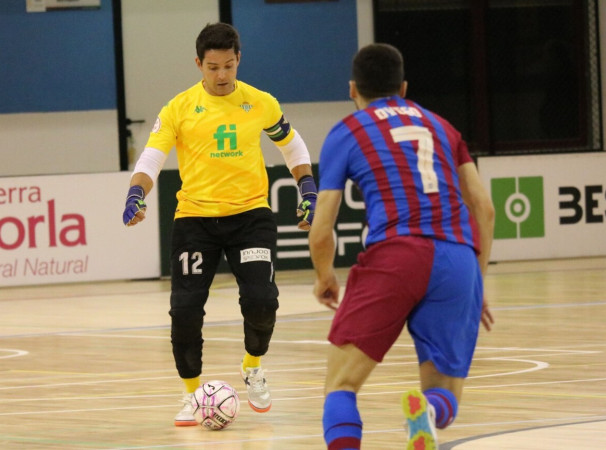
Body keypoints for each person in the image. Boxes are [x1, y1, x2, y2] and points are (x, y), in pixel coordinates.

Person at [122, 22, 317, 426]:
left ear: (238, 59)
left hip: (251, 216)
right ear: (198, 64)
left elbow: (292, 143)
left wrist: (308, 188)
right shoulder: (178, 108)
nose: (223, 75)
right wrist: (135, 193)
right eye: (213, 67)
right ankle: (192, 396)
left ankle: (253, 367)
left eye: (229, 65)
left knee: (262, 299)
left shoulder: (260, 102)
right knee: (185, 310)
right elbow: (152, 158)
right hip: (195, 220)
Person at [308, 43, 495, 449]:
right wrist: (475, 282)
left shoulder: (348, 131)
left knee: (341, 385)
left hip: (396, 254)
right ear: (404, 87)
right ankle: (427, 412)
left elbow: (323, 224)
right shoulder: (443, 127)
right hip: (457, 258)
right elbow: (484, 207)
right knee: (444, 391)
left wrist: (325, 276)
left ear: (352, 89)